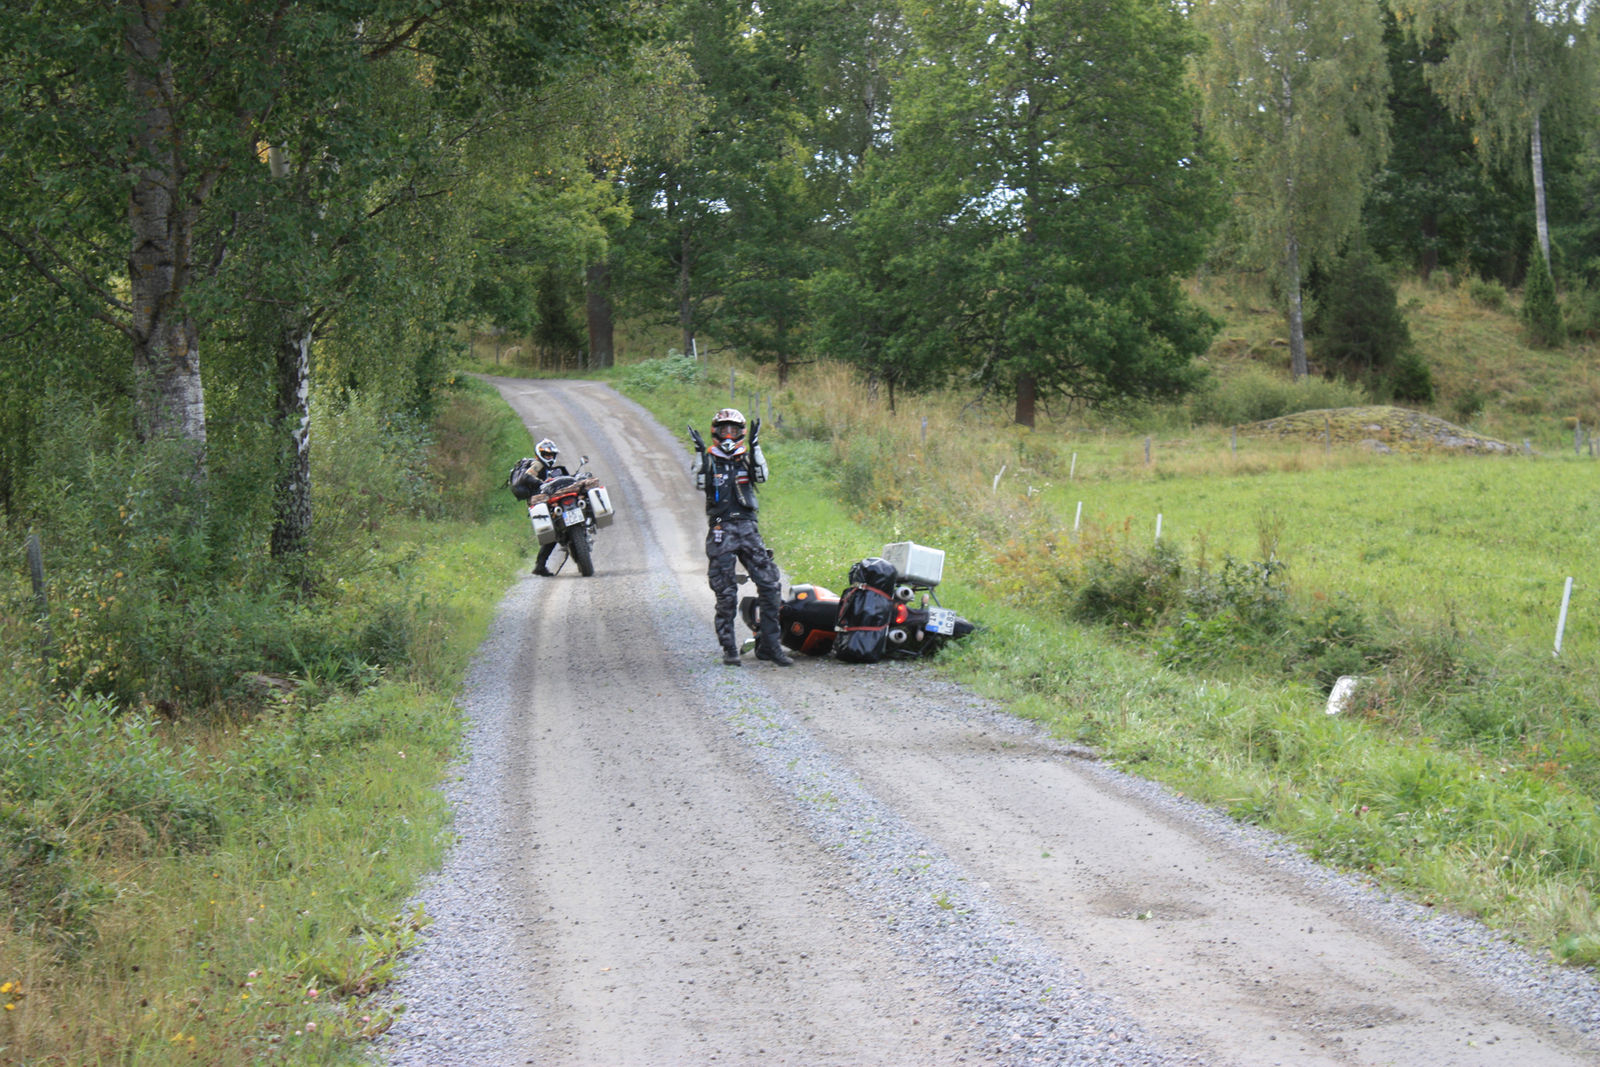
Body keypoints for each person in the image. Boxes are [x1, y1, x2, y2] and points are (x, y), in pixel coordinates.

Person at [690, 408, 791, 666]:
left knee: (770, 584)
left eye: (732, 430)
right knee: (725, 593)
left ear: (740, 432)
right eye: (723, 429)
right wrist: (700, 452)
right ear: (715, 431)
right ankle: (729, 649)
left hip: (747, 527)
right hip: (721, 529)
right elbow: (699, 483)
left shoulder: (747, 459)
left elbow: (762, 476)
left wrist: (755, 446)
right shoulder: (710, 459)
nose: (728, 435)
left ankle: (770, 646)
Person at [519, 438, 569, 576]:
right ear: (539, 454)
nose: (549, 457)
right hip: (542, 502)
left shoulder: (552, 469)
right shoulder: (538, 464)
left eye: (551, 455)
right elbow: (527, 476)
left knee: (553, 533)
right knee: (551, 534)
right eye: (546, 455)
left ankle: (540, 566)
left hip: (551, 501)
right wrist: (541, 483)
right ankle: (540, 565)